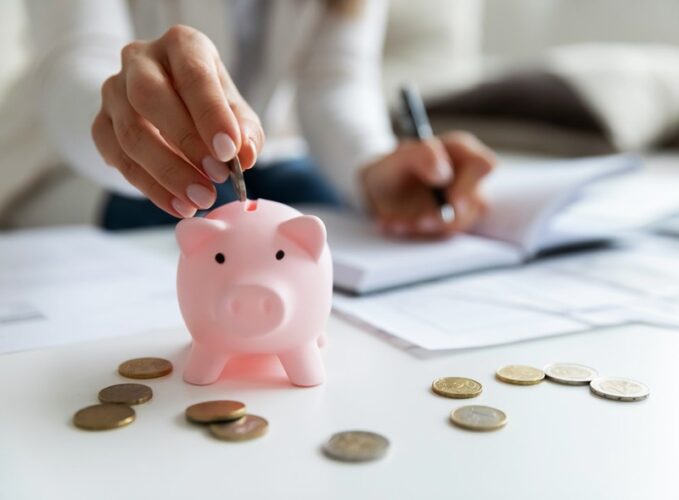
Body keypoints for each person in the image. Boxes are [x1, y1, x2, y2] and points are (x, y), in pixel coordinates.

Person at [25, 0, 495, 237]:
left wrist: (371, 166)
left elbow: (335, 78)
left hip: (259, 161)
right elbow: (72, 66)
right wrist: (127, 119)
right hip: (73, 167)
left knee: (320, 208)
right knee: (208, 212)